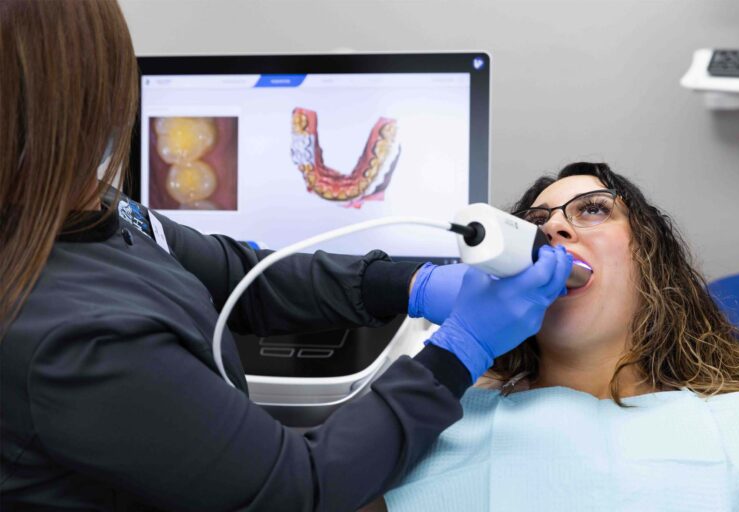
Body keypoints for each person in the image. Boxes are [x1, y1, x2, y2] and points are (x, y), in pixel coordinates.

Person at [0, 2, 572, 511]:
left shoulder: (73, 199)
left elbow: (239, 274)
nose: (563, 230)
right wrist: (456, 353)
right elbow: (301, 489)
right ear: (81, 105)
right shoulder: (69, 339)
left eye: (595, 210)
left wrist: (411, 283)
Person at [377, 162, 739, 512]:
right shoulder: (434, 420)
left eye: (593, 209)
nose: (552, 229)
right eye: (534, 224)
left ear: (650, 261)